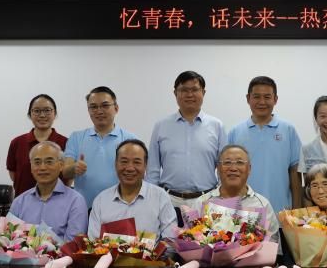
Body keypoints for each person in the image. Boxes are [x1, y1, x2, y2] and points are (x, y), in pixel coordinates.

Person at [146, 71, 227, 211]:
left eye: (194, 89)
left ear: (203, 92)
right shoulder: (161, 126)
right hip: (169, 201)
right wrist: (152, 201)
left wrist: (220, 200)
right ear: (175, 93)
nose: (190, 95)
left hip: (207, 201)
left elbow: (223, 168)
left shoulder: (217, 126)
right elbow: (152, 170)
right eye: (184, 90)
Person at [227, 76, 302, 213]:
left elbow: (295, 172)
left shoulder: (288, 130)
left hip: (281, 212)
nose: (262, 102)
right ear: (248, 98)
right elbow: (227, 174)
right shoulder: (235, 132)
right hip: (243, 212)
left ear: (275, 99)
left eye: (267, 97)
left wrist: (297, 211)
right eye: (256, 97)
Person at [63, 86, 137, 208]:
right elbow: (65, 171)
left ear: (116, 108)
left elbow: (139, 175)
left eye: (105, 105)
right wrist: (74, 168)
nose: (99, 111)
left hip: (120, 208)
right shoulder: (76, 137)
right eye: (93, 107)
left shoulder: (130, 139)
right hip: (84, 208)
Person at [88, 139, 177, 240]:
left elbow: (170, 239)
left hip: (153, 251)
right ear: (115, 164)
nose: (130, 168)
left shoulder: (160, 197)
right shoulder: (101, 200)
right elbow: (93, 241)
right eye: (124, 162)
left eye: (137, 162)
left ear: (145, 165)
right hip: (107, 251)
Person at [193, 145, 279, 243]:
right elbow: (190, 239)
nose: (233, 168)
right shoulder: (202, 203)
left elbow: (273, 243)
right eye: (227, 162)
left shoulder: (263, 205)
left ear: (249, 169)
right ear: (218, 168)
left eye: (240, 162)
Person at [8, 141, 88, 242]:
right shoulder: (19, 202)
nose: (42, 167)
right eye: (37, 162)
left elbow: (73, 244)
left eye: (49, 162)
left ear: (61, 165)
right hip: (21, 252)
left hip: (62, 253)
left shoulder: (75, 201)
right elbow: (8, 238)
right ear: (31, 167)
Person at [6, 93, 68, 197]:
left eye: (47, 110)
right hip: (24, 202)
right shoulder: (17, 143)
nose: (42, 115)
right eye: (37, 111)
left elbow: (68, 177)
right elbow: (13, 175)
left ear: (55, 114)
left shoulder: (66, 143)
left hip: (58, 202)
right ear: (30, 114)